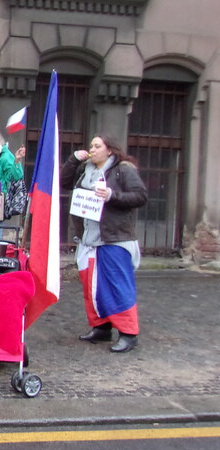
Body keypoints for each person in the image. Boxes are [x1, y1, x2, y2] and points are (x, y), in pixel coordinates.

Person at [61, 134, 148, 353]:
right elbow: (64, 183)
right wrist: (73, 160)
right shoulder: (85, 169)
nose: (92, 149)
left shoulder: (123, 170)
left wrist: (112, 195)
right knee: (92, 286)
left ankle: (128, 333)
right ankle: (101, 327)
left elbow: (140, 196)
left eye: (97, 146)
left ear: (110, 150)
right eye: (91, 145)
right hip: (89, 237)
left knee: (117, 285)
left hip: (113, 237)